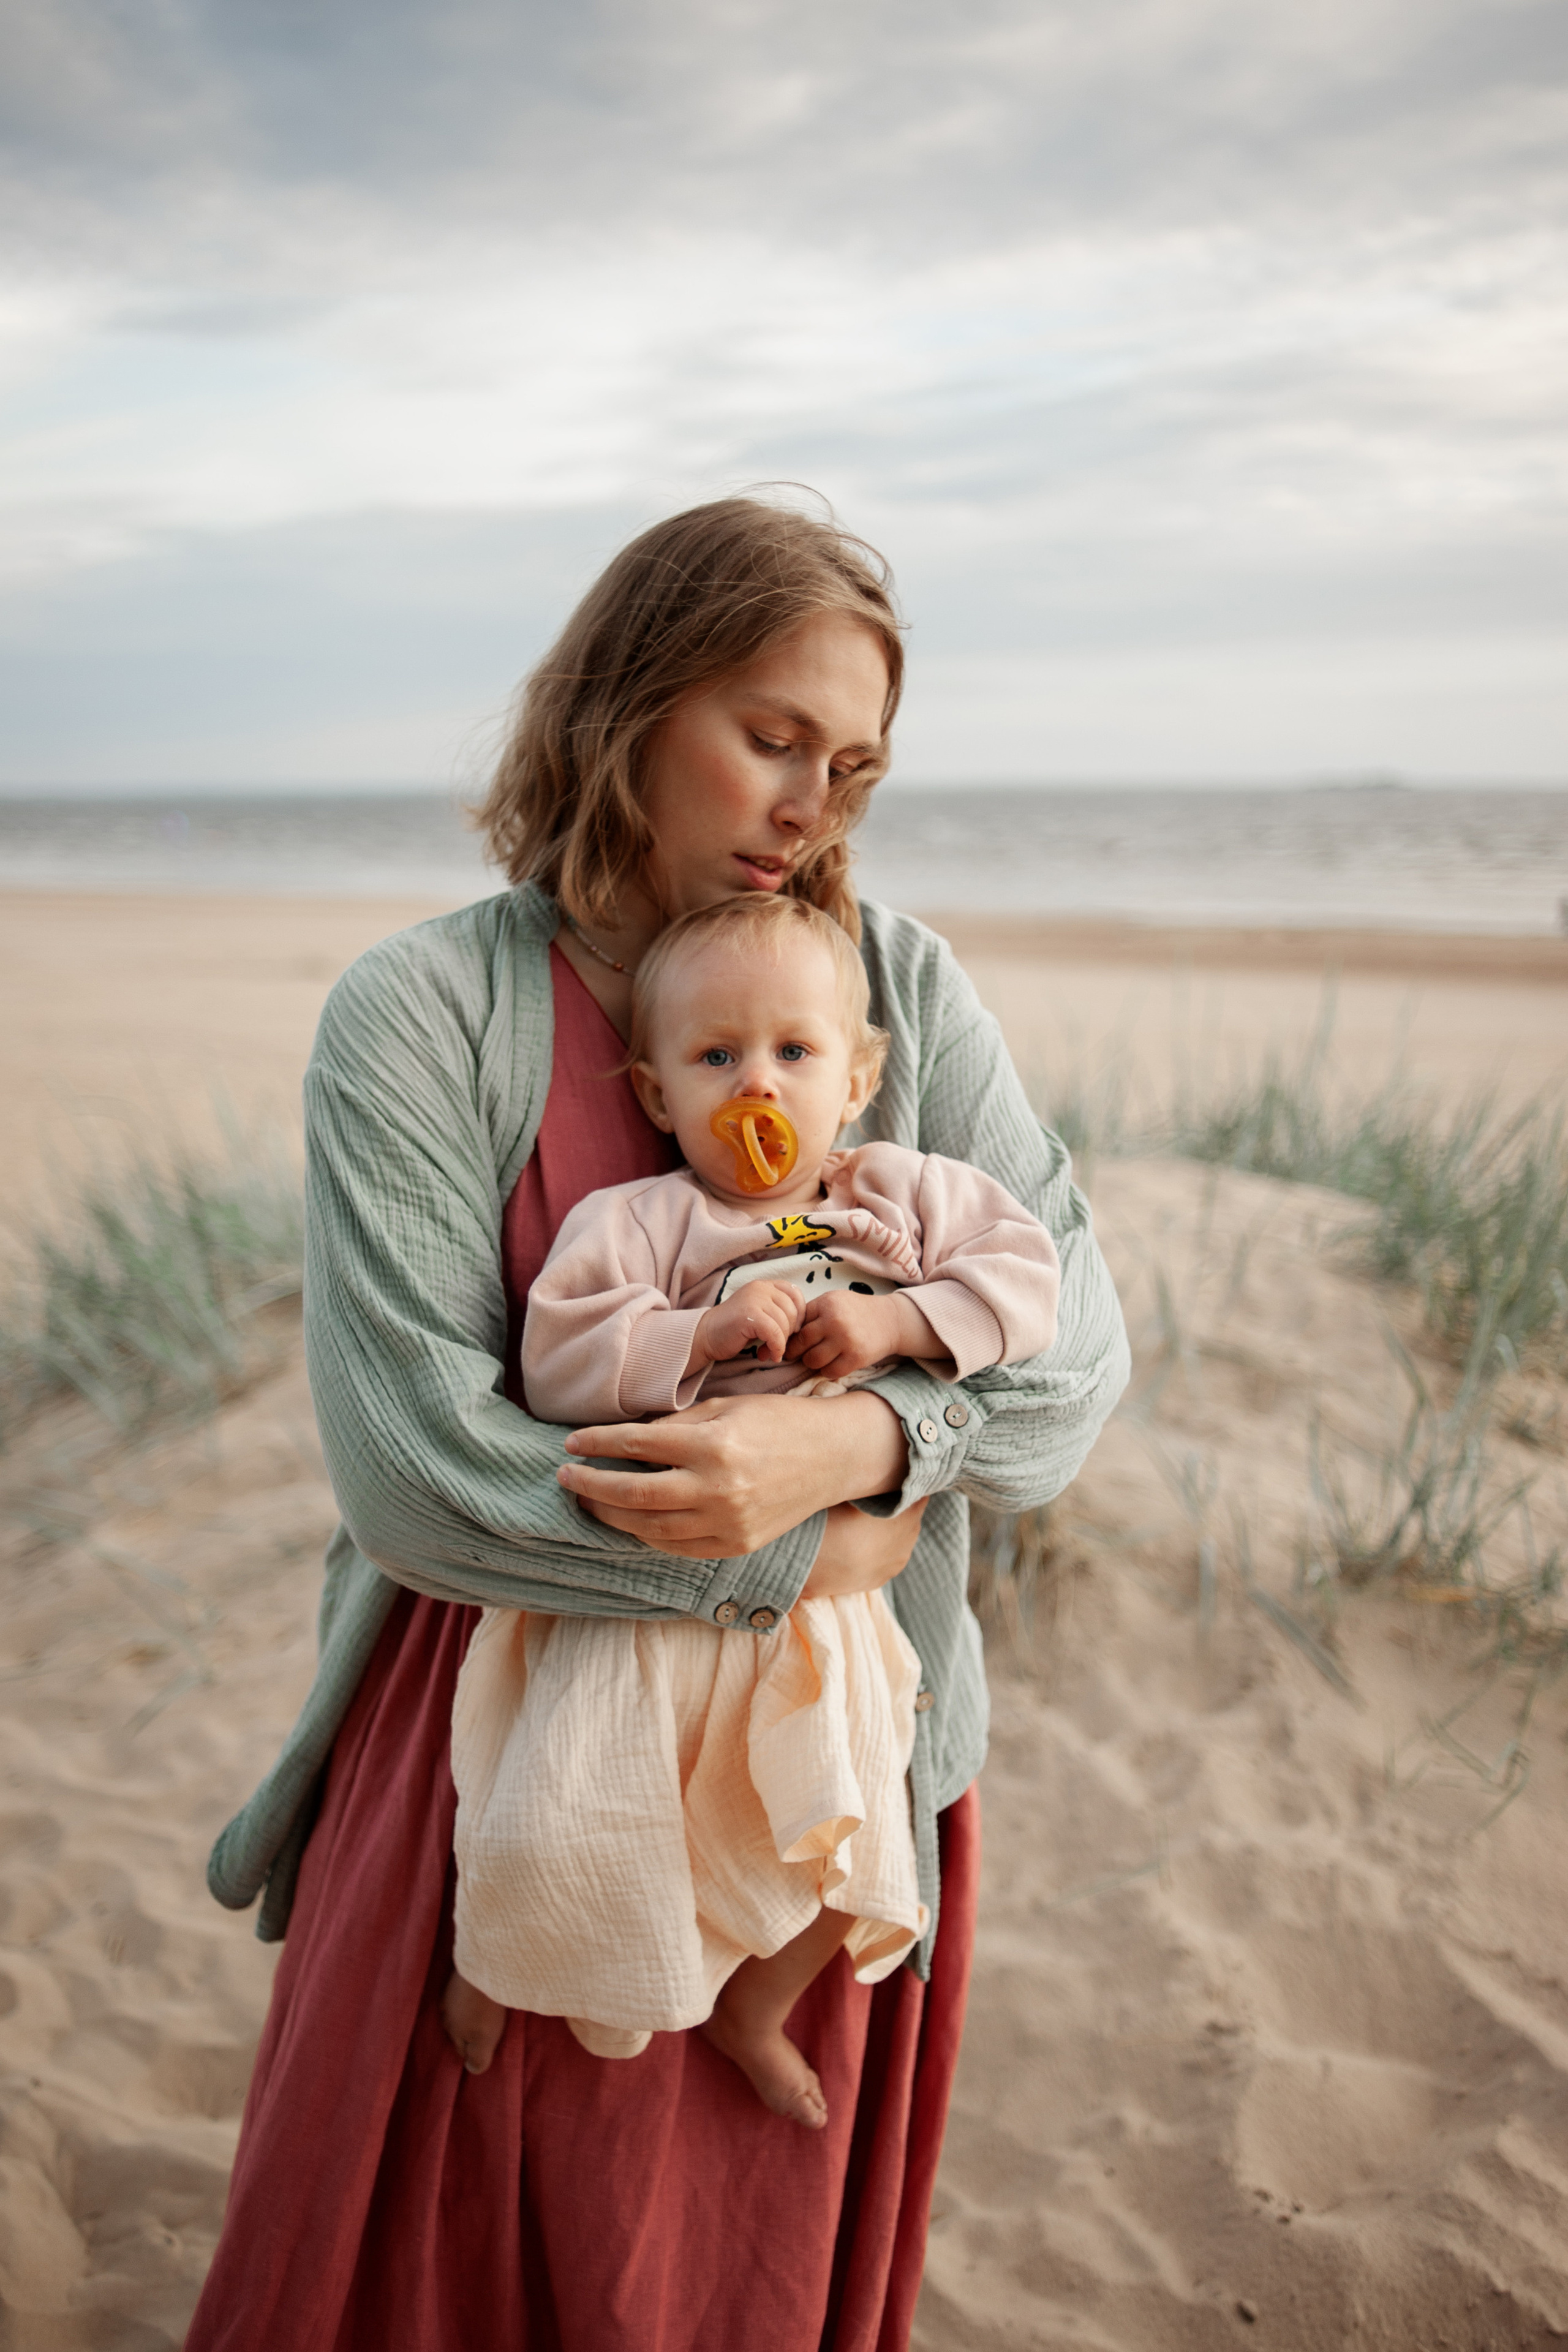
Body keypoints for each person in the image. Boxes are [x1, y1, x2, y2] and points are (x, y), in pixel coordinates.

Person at [187, 494, 1129, 2352]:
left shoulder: (898, 996)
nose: (815, 807)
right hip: (488, 1758)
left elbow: (1072, 1366)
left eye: (852, 765)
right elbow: (421, 1475)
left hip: (827, 1766)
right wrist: (797, 1558)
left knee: (737, 2274)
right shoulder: (417, 1014)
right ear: (626, 708)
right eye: (772, 739)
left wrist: (864, 1455)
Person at [443, 890, 1061, 2129]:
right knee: (561, 1813)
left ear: (859, 1075)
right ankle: (490, 1967)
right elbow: (558, 1356)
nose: (756, 1086)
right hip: (649, 1605)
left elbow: (1025, 1284)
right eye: (714, 1057)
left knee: (855, 1825)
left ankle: (754, 2006)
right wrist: (699, 1331)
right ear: (656, 1093)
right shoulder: (642, 1222)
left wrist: (892, 1321)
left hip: (822, 1601)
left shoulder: (902, 1192)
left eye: (793, 1053)